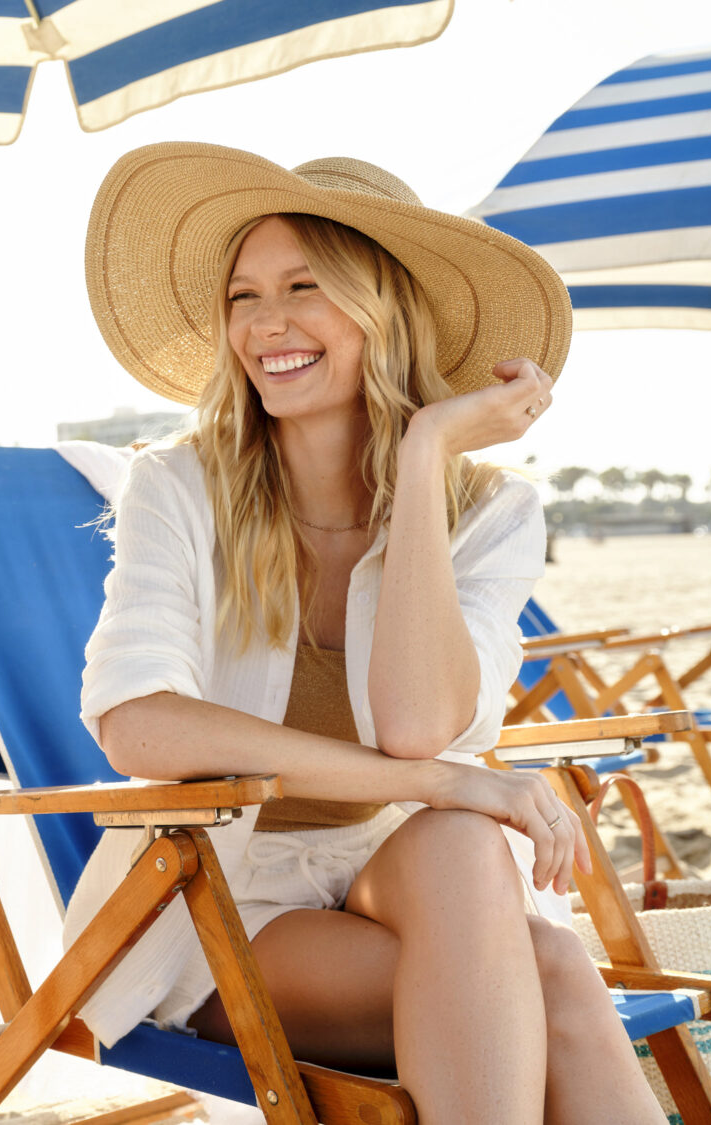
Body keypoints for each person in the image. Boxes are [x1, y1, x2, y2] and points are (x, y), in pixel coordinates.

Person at [66, 144, 663, 1123]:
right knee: (543, 961)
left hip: (398, 880)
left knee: (473, 856)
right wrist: (436, 784)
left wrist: (425, 457)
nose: (267, 323)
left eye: (306, 286)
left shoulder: (490, 511)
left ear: (386, 313)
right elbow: (140, 726)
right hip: (216, 898)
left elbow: (420, 722)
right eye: (243, 295)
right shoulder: (177, 488)